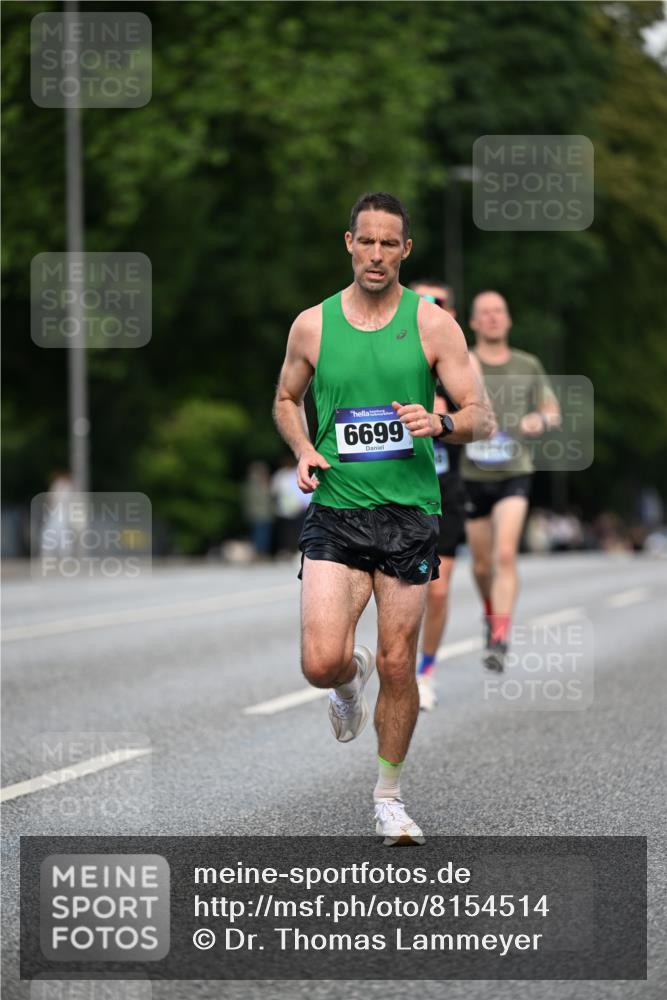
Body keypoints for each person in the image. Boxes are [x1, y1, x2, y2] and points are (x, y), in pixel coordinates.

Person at [273, 192, 493, 845]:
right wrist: (304, 447)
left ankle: (388, 798)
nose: (375, 254)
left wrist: (443, 422)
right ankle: (345, 681)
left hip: (409, 513)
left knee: (399, 664)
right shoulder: (312, 325)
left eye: (387, 243)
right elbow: (286, 398)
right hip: (337, 508)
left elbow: (481, 415)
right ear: (349, 243)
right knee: (320, 661)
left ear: (405, 250)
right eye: (364, 241)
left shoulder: (433, 325)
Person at [460, 291, 560, 672]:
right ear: (473, 323)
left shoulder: (527, 364)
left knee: (505, 554)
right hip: (471, 475)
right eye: (484, 313)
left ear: (509, 319)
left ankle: (499, 637)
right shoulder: (463, 361)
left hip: (515, 471)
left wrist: (542, 420)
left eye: (499, 311)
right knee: (482, 565)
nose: (492, 318)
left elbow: (551, 408)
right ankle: (491, 614)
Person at [409, 281, 466, 712]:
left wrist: (445, 417)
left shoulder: (460, 361)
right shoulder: (393, 353)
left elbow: (481, 419)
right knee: (401, 591)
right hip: (399, 488)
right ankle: (397, 666)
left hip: (444, 492)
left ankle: (425, 671)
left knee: (440, 592)